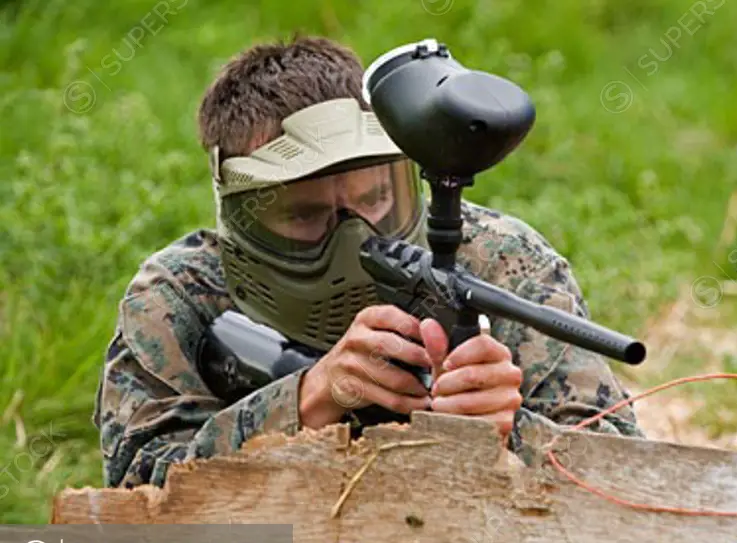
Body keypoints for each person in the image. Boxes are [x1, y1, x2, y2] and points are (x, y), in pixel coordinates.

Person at [94, 35, 643, 489]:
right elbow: (136, 507)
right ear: (242, 213)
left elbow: (629, 479)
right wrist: (308, 401)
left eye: (376, 199)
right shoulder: (180, 294)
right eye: (307, 215)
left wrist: (503, 431)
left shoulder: (499, 263)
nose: (356, 237)